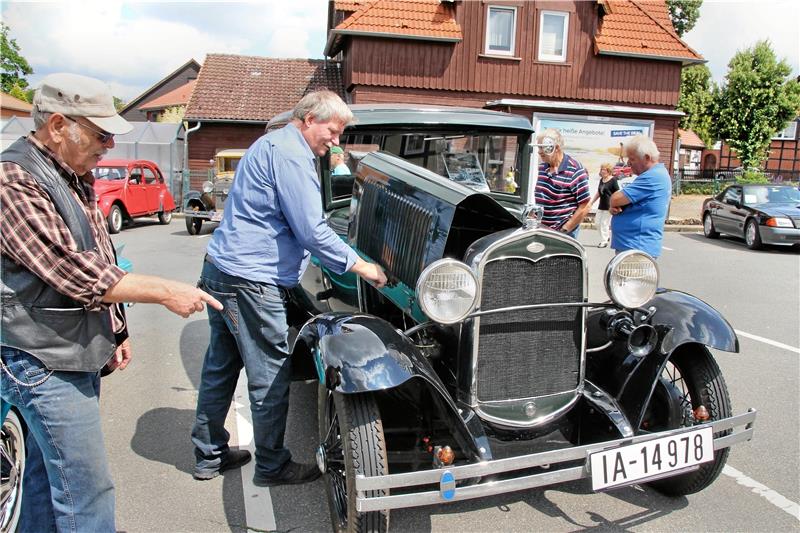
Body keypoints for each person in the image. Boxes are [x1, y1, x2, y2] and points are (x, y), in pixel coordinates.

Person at [0, 73, 222, 532]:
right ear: (58, 125)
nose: (108, 145)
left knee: (45, 477)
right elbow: (73, 269)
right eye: (100, 134)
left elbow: (99, 253)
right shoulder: (13, 180)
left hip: (64, 349)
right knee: (85, 490)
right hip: (39, 358)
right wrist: (166, 291)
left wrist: (115, 327)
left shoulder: (70, 172)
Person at [191, 90, 387, 488]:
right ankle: (272, 466)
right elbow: (312, 230)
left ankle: (208, 455)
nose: (335, 141)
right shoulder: (293, 156)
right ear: (309, 118)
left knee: (220, 367)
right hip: (251, 280)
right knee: (270, 374)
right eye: (332, 131)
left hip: (221, 268)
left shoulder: (269, 142)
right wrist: (362, 265)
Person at [609, 134, 672, 258]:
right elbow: (621, 202)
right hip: (634, 246)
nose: (628, 163)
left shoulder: (652, 178)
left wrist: (616, 203)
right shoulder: (655, 174)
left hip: (636, 248)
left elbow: (615, 199)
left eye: (632, 159)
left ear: (647, 158)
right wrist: (618, 208)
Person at [534, 128, 591, 237]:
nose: (539, 151)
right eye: (539, 147)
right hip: (542, 230)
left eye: (543, 147)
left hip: (562, 233)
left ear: (556, 148)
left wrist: (565, 230)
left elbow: (585, 205)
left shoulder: (575, 170)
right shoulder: (542, 167)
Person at [590, 163, 619, 248]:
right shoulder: (601, 180)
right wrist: (592, 202)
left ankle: (604, 241)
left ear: (608, 171)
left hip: (609, 206)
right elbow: (599, 192)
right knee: (597, 223)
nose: (602, 171)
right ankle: (607, 236)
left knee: (604, 224)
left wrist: (615, 205)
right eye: (601, 169)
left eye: (604, 169)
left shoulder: (613, 180)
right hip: (601, 205)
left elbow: (617, 193)